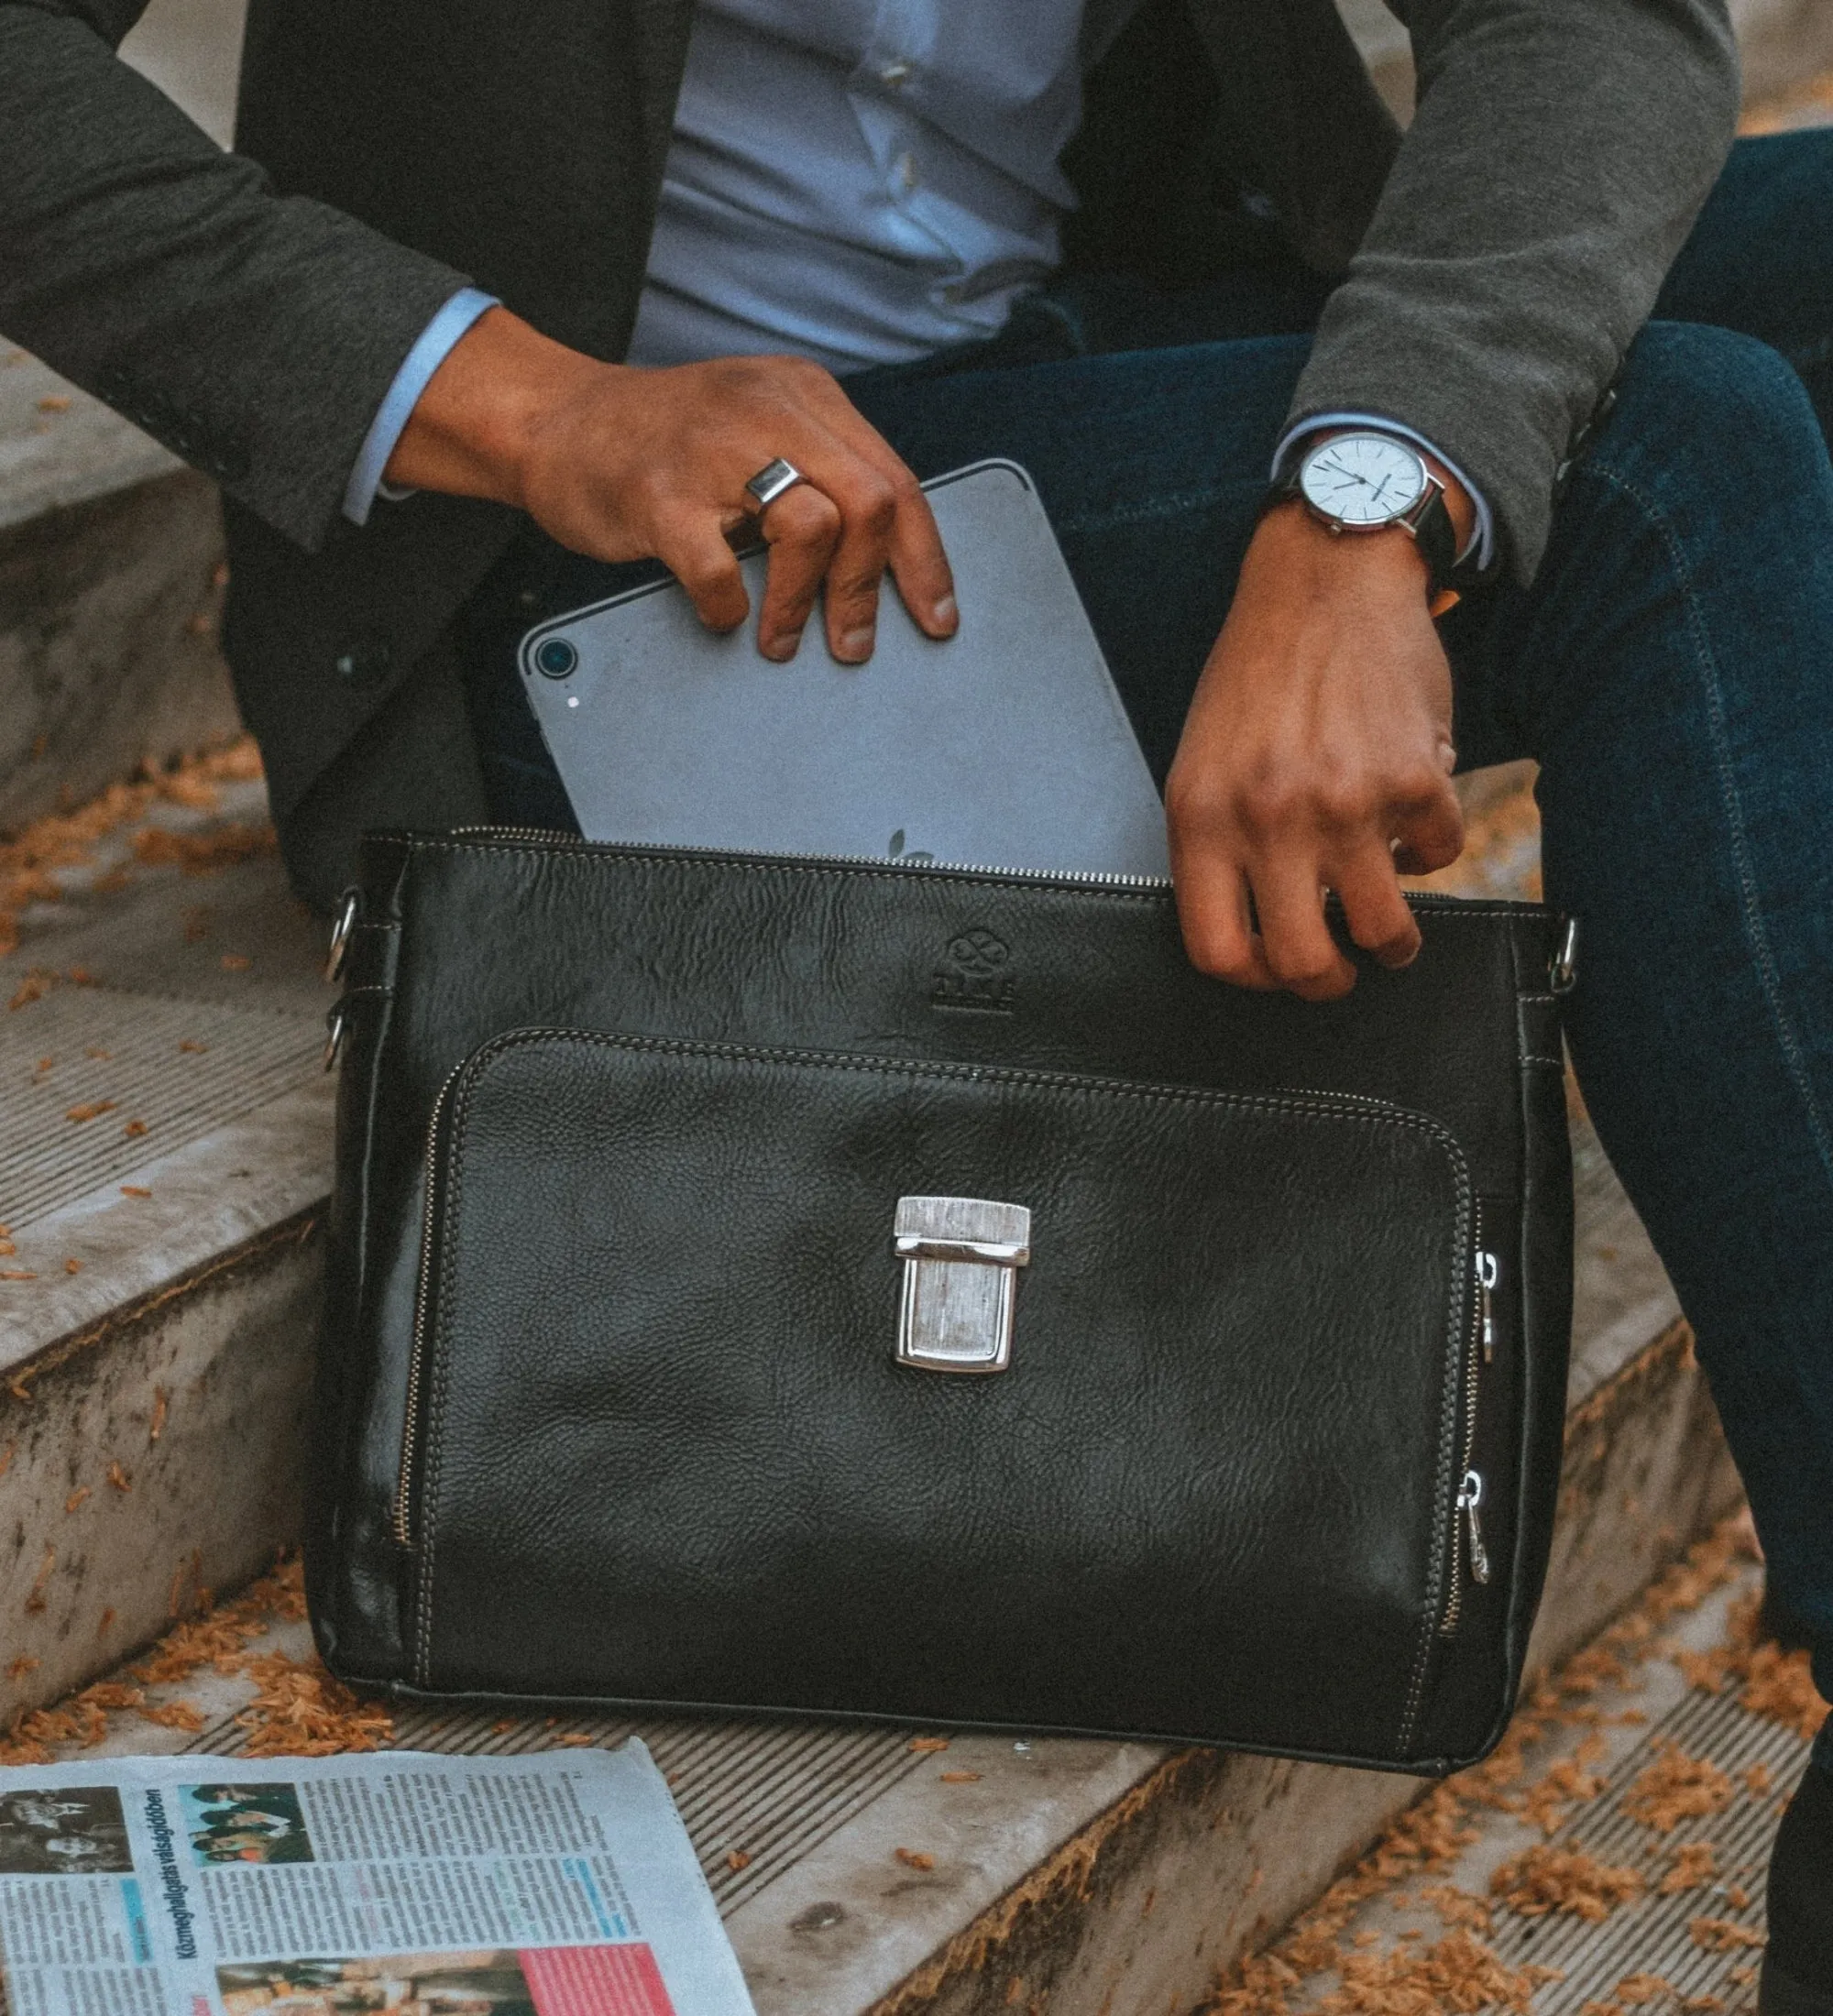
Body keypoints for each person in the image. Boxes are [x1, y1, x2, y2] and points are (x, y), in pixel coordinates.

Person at [1, 0, 1828, 1999]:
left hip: (1105, 338)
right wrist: (518, 400)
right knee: (1685, 469)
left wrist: (1369, 500)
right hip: (630, 554)